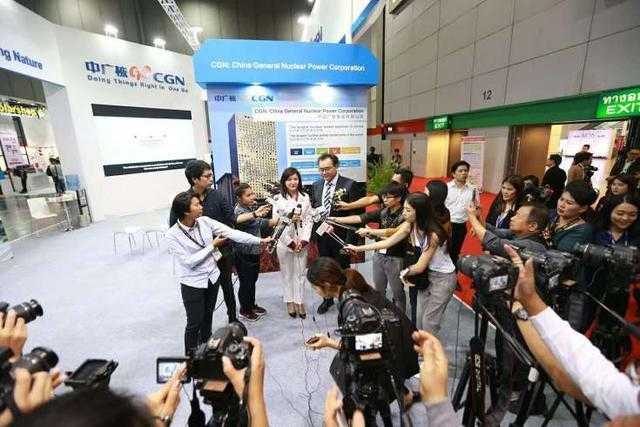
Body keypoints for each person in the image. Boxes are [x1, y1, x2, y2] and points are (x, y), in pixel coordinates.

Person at [505, 244, 640, 421]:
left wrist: (519, 307)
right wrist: (529, 300)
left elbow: (564, 375)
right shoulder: (628, 397)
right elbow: (585, 372)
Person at [304, 257, 420, 406]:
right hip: (398, 335)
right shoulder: (349, 282)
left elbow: (367, 347)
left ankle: (401, 396)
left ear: (326, 285)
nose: (315, 292)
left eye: (315, 288)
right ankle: (404, 395)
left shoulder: (354, 309)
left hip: (397, 344)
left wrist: (328, 342)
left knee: (371, 386)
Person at [166, 191, 270, 354]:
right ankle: (191, 358)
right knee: (194, 322)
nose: (201, 207)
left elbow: (233, 233)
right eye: (196, 205)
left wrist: (260, 240)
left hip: (212, 277)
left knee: (208, 316)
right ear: (186, 211)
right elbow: (189, 262)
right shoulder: (172, 235)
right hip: (192, 283)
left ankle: (205, 349)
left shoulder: (205, 221)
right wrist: (212, 246)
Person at [345, 193, 455, 335]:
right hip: (426, 275)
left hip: (442, 279)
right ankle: (422, 344)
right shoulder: (410, 225)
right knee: (420, 317)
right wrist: (357, 248)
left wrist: (404, 273)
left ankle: (429, 348)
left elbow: (419, 266)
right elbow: (387, 242)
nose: (403, 213)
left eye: (408, 210)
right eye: (404, 209)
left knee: (429, 322)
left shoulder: (432, 235)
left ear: (420, 212)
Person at [171, 160, 239, 324]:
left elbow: (232, 217)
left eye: (211, 175)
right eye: (207, 176)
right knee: (205, 295)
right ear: (194, 179)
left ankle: (233, 319)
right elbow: (174, 228)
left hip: (222, 250)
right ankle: (204, 328)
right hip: (199, 258)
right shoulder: (184, 200)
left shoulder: (217, 195)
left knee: (227, 286)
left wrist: (255, 215)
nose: (211, 178)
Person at [328, 182, 407, 313]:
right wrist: (335, 219)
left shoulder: (405, 214)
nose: (384, 200)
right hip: (379, 254)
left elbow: (393, 232)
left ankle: (401, 317)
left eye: (388, 197)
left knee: (397, 292)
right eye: (383, 196)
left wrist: (372, 232)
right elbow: (360, 218)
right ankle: (380, 315)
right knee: (378, 289)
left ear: (399, 198)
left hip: (396, 256)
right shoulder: (383, 211)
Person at [310, 153, 363, 314]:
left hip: (342, 237)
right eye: (321, 169)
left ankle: (345, 300)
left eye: (327, 169)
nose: (324, 172)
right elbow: (315, 210)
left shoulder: (350, 185)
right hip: (323, 236)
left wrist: (349, 241)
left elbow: (356, 215)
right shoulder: (317, 185)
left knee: (342, 270)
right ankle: (327, 299)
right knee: (324, 269)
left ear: (336, 166)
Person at [233, 183, 277, 321]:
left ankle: (251, 305)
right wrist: (278, 220)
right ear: (239, 198)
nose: (253, 197)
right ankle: (245, 310)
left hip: (253, 251)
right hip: (244, 253)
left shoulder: (249, 208)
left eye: (252, 193)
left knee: (252, 281)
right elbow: (259, 223)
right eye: (248, 195)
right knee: (246, 282)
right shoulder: (239, 212)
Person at [273, 167, 313, 318]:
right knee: (287, 273)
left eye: (295, 179)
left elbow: (309, 220)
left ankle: (299, 301)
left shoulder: (305, 197)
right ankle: (289, 301)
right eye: (289, 179)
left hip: (301, 241)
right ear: (284, 182)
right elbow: (277, 224)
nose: (293, 182)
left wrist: (304, 240)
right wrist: (290, 243)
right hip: (285, 243)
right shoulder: (278, 199)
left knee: (301, 273)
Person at [467, 202, 548, 258]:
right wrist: (479, 216)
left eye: (518, 216)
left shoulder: (532, 246)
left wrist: (472, 217)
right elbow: (494, 231)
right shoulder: (518, 233)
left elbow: (494, 243)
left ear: (532, 226)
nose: (512, 218)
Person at [544, 180, 596, 252]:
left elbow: (562, 253)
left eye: (569, 203)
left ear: (583, 208)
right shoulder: (551, 214)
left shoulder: (583, 230)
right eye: (561, 199)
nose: (562, 205)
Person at [335, 167, 413, 212]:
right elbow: (370, 199)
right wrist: (349, 206)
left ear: (405, 185)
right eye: (392, 181)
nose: (385, 199)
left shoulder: (410, 202)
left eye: (395, 182)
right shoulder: (388, 191)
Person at [445, 160, 476, 266]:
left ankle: (453, 273)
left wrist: (474, 225)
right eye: (460, 171)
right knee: (442, 251)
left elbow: (475, 208)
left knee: (455, 252)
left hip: (460, 226)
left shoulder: (473, 189)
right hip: (446, 224)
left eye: (466, 171)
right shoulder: (446, 187)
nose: (464, 173)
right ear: (453, 174)